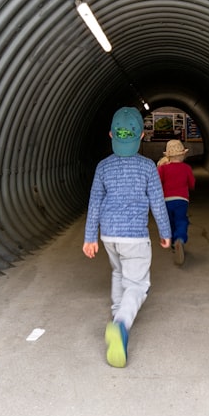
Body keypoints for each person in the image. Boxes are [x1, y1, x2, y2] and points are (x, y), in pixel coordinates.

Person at [83, 106, 171, 368]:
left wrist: (90, 237)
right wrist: (165, 233)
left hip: (109, 235)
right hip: (135, 237)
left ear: (111, 135)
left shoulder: (103, 167)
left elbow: (95, 202)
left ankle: (116, 316)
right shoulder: (147, 167)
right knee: (138, 284)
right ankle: (120, 326)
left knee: (118, 274)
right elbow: (158, 203)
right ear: (141, 136)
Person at [157, 139, 195, 266]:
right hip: (181, 200)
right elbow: (192, 184)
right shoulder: (186, 168)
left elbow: (157, 183)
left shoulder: (163, 169)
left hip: (166, 200)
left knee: (170, 222)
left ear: (168, 156)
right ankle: (180, 238)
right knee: (181, 220)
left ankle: (174, 243)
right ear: (183, 155)